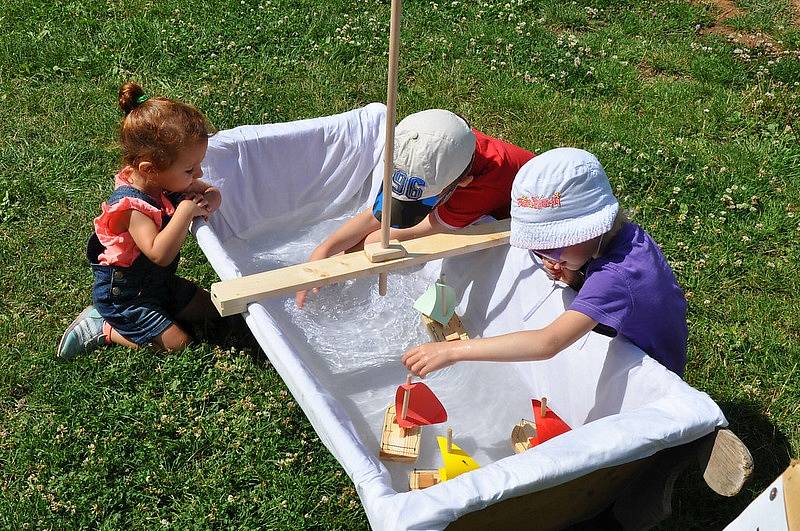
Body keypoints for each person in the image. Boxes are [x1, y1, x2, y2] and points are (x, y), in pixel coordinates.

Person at [402, 147, 688, 377]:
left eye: (552, 250)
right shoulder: (623, 237)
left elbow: (547, 343)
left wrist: (452, 352)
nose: (548, 259)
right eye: (540, 253)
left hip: (649, 369)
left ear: (590, 231)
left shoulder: (616, 278)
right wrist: (575, 276)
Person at [295, 108, 534, 308]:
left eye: (422, 201)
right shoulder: (426, 146)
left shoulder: (483, 184)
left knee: (379, 244)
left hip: (510, 214)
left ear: (459, 184)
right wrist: (324, 250)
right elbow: (378, 215)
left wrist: (345, 261)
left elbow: (419, 230)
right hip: (467, 192)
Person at [57, 81, 223, 358]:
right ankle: (104, 328)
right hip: (127, 298)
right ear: (150, 168)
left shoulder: (164, 180)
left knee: (213, 312)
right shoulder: (133, 208)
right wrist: (183, 213)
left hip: (159, 286)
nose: (197, 173)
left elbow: (209, 190)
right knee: (180, 346)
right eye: (189, 168)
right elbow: (159, 254)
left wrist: (210, 200)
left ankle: (161, 314)